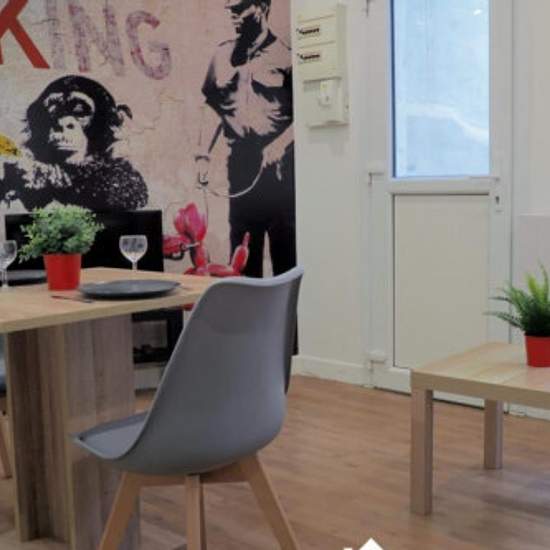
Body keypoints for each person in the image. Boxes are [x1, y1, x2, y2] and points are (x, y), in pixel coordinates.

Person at [197, 0, 296, 277]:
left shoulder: (286, 57)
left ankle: (286, 308)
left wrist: (280, 144)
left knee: (285, 259)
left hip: (281, 172)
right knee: (242, 261)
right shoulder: (222, 55)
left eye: (240, 8)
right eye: (231, 10)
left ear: (262, 7)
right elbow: (211, 106)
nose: (234, 15)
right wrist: (202, 154)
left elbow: (304, 117)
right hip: (240, 167)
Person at [0, 75, 149, 211]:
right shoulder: (23, 170)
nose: (62, 122)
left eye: (79, 112)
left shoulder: (119, 177)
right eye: (54, 111)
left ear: (103, 122)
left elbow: (130, 195)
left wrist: (50, 177)